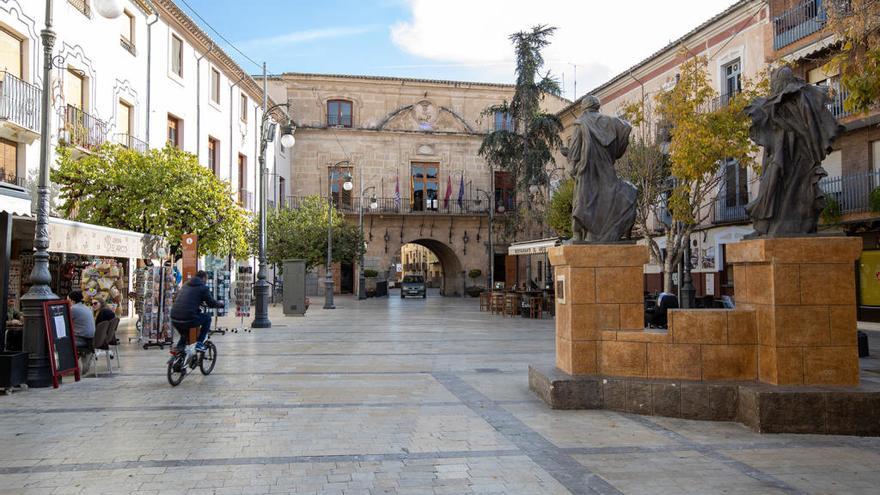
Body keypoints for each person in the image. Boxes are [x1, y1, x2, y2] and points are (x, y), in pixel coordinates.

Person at [561, 95, 637, 242]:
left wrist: (571, 165)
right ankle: (593, 235)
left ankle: (578, 235)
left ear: (584, 108)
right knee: (604, 199)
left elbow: (576, 150)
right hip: (606, 169)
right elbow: (626, 127)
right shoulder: (611, 122)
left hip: (587, 170)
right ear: (597, 107)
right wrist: (615, 151)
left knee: (582, 201)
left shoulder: (580, 123)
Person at [169, 270, 222, 353]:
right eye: (206, 279)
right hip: (188, 318)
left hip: (174, 317)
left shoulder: (186, 284)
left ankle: (179, 354)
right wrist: (220, 304)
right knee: (207, 318)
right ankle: (200, 343)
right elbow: (211, 303)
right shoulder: (203, 288)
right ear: (204, 278)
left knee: (185, 335)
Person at [68, 290, 96, 374]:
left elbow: (66, 321)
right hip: (91, 338)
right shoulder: (86, 307)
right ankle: (82, 357)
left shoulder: (73, 309)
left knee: (61, 342)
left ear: (72, 300)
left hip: (82, 338)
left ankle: (68, 367)